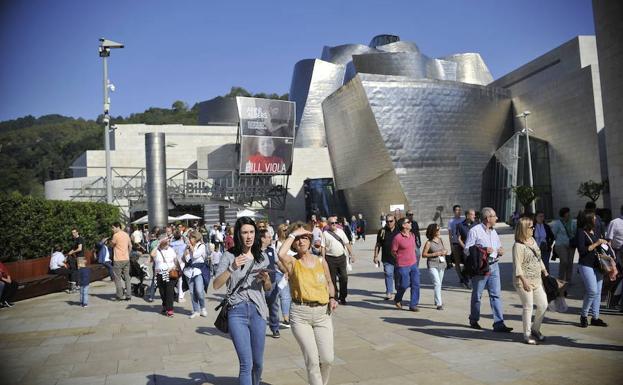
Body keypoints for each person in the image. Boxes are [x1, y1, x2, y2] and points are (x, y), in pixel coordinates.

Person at [213, 217, 271, 385]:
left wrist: (266, 279)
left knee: (258, 363)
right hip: (236, 312)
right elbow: (216, 285)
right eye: (245, 232)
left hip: (258, 311)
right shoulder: (229, 255)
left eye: (251, 232)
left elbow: (267, 288)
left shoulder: (262, 257)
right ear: (238, 234)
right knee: (246, 363)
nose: (249, 236)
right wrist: (232, 267)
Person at [278, 223, 337, 385]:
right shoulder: (291, 262)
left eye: (304, 237)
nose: (301, 242)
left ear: (310, 240)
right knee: (312, 359)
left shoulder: (320, 260)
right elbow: (281, 253)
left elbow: (330, 282)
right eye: (297, 239)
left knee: (327, 359)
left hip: (322, 314)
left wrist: (332, 297)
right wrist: (294, 233)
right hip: (300, 314)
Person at [464, 207, 513, 332]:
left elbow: (498, 246)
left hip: (494, 265)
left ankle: (499, 323)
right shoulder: (475, 230)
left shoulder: (493, 232)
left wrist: (500, 250)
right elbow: (467, 249)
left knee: (496, 295)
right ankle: (474, 319)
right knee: (477, 295)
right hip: (481, 267)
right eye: (494, 216)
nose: (496, 218)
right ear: (487, 218)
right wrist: (484, 250)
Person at [512, 216, 549, 344]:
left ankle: (535, 329)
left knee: (543, 305)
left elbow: (538, 257)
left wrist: (544, 269)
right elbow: (517, 266)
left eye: (533, 226)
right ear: (523, 229)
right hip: (523, 281)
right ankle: (527, 335)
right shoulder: (518, 246)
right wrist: (524, 281)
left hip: (537, 280)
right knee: (528, 307)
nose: (533, 229)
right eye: (531, 227)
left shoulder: (532, 240)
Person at [576, 211, 609, 328]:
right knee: (592, 291)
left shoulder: (594, 231)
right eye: (594, 219)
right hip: (586, 265)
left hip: (597, 265)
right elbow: (582, 250)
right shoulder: (581, 232)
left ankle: (595, 317)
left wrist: (604, 243)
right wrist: (597, 243)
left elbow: (598, 246)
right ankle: (583, 315)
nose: (596, 220)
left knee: (598, 293)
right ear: (589, 220)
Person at [321, 215, 355, 305]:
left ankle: (343, 297)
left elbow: (347, 243)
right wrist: (323, 259)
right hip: (330, 258)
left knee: (344, 277)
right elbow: (323, 247)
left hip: (341, 257)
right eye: (332, 223)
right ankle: (334, 297)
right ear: (328, 224)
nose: (334, 224)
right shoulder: (325, 234)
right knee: (332, 279)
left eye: (336, 223)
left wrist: (352, 254)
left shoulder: (341, 231)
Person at [391, 217, 420, 311]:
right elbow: (393, 251)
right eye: (408, 222)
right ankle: (398, 298)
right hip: (403, 265)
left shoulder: (412, 235)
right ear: (404, 225)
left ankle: (413, 305)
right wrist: (399, 259)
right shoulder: (397, 238)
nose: (410, 223)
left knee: (416, 284)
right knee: (404, 284)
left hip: (413, 264)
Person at [260, 228, 282, 338]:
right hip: (258, 286)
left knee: (274, 307)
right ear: (262, 239)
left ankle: (275, 328)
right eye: (268, 237)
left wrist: (286, 271)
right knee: (259, 309)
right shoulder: (254, 252)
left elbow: (278, 263)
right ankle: (259, 329)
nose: (271, 239)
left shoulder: (272, 250)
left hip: (272, 284)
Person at [151, 235, 180, 317]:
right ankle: (165, 305)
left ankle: (170, 309)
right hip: (159, 273)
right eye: (165, 242)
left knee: (169, 292)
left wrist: (174, 267)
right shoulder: (157, 250)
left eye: (168, 241)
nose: (167, 243)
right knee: (162, 292)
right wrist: (158, 245)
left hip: (169, 273)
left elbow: (176, 261)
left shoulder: (171, 250)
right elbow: (152, 255)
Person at [422, 223, 448, 310]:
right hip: (432, 264)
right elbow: (424, 254)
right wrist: (435, 254)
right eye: (437, 230)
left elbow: (444, 249)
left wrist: (445, 251)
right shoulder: (428, 243)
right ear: (433, 231)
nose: (439, 231)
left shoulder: (440, 240)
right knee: (437, 283)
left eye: (439, 229)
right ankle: (439, 304)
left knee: (439, 284)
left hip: (441, 264)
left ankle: (437, 300)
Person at [184, 230, 209, 319]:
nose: (189, 239)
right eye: (189, 237)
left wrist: (191, 248)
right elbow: (187, 259)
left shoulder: (201, 246)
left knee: (199, 291)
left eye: (191, 237)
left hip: (199, 271)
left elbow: (195, 255)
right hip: (189, 272)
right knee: (192, 292)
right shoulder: (188, 247)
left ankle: (203, 308)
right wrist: (186, 252)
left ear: (195, 238)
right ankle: (196, 310)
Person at [373, 214, 399, 300]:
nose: (389, 223)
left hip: (399, 258)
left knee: (398, 275)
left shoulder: (399, 230)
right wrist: (375, 256)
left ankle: (398, 290)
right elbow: (378, 244)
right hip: (387, 258)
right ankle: (389, 292)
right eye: (387, 221)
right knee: (388, 274)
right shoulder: (382, 231)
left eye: (391, 221)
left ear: (394, 221)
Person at [551, 207, 577, 285]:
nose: (569, 214)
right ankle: (561, 279)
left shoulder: (573, 222)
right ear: (563, 214)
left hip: (571, 245)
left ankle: (568, 279)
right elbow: (553, 234)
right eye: (567, 212)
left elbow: (575, 233)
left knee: (570, 262)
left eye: (569, 212)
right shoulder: (557, 223)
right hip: (560, 245)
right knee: (564, 261)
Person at [274, 224, 293, 327]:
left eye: (288, 230)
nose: (286, 231)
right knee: (285, 296)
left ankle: (293, 315)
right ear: (279, 231)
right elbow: (276, 260)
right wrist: (285, 270)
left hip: (294, 272)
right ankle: (286, 318)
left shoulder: (292, 243)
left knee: (294, 295)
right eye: (284, 230)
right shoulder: (275, 244)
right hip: (281, 273)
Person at [456, 209, 477, 288]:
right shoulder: (460, 225)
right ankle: (466, 279)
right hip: (465, 249)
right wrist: (465, 248)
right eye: (472, 214)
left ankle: (469, 278)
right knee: (467, 264)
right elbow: (459, 239)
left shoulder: (476, 224)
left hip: (475, 249)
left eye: (474, 214)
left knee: (474, 264)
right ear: (467, 215)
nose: (474, 216)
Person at [111, 222, 132, 301]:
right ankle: (128, 295)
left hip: (118, 259)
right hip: (126, 259)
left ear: (117, 227)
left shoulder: (115, 235)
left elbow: (112, 245)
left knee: (117, 278)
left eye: (113, 228)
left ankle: (120, 296)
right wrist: (127, 254)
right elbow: (130, 246)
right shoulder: (126, 235)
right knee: (127, 278)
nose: (112, 229)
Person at [447, 205, 465, 286]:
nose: (459, 211)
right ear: (454, 211)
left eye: (460, 210)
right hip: (455, 243)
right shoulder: (451, 221)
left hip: (464, 243)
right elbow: (450, 234)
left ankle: (465, 275)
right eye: (457, 210)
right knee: (457, 262)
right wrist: (451, 245)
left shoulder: (463, 219)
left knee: (466, 260)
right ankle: (461, 277)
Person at [170, 231, 187, 303]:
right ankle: (180, 296)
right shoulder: (184, 245)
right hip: (181, 263)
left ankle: (173, 294)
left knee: (172, 278)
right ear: (180, 237)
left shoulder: (171, 245)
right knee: (181, 280)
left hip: (173, 263)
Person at [66, 228, 83, 292]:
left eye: (74, 232)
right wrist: (68, 254)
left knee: (80, 271)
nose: (73, 234)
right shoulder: (75, 240)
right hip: (76, 257)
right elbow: (74, 249)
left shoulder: (80, 239)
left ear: (77, 232)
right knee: (76, 271)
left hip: (80, 257)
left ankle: (80, 285)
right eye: (72, 233)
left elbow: (80, 248)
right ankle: (77, 286)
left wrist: (72, 252)